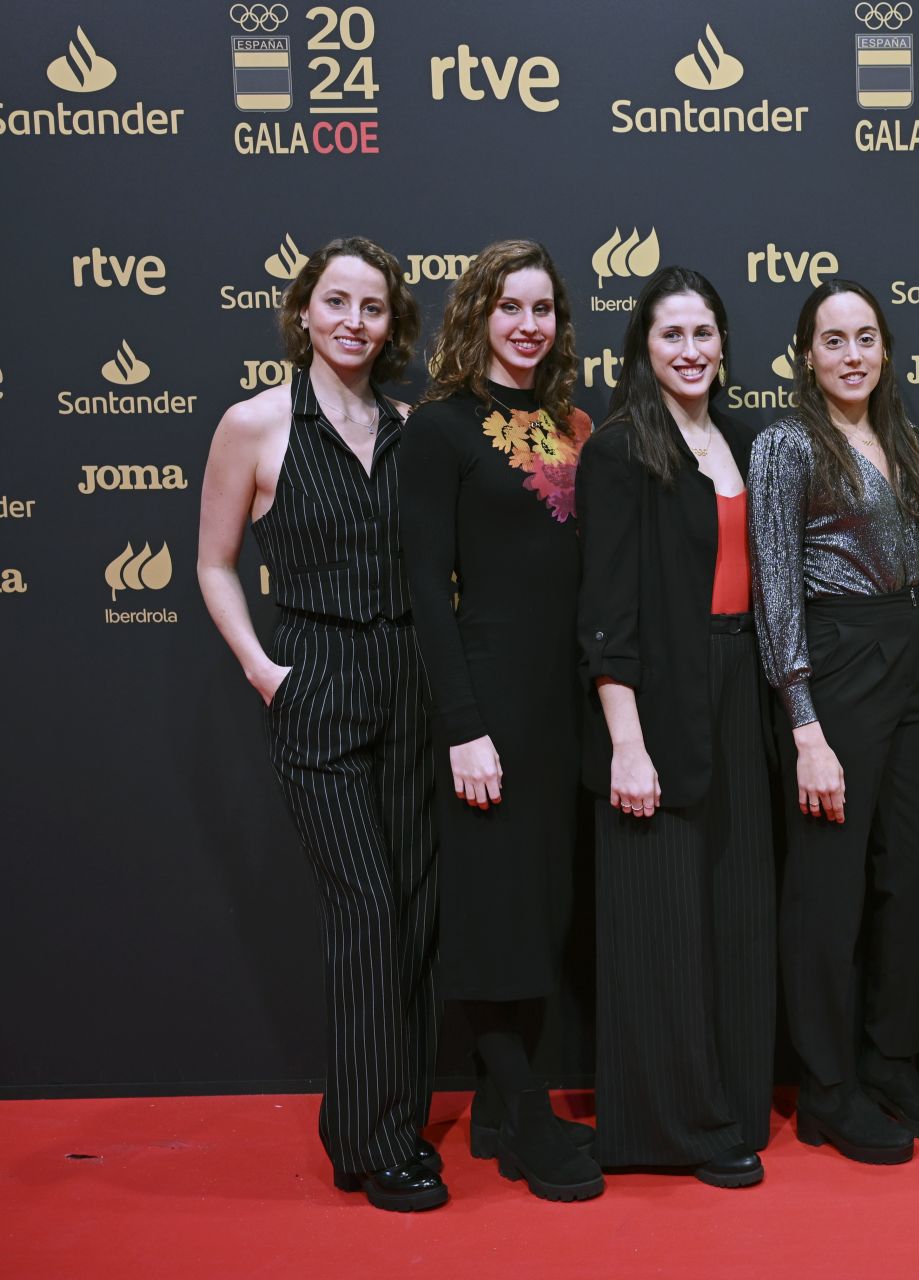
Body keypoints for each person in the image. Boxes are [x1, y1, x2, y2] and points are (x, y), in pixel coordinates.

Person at [195, 237, 445, 1211]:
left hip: (413, 683)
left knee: (418, 913)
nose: (353, 321)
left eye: (373, 307)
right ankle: (368, 1141)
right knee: (365, 911)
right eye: (336, 301)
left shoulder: (411, 425)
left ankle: (402, 1119)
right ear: (303, 310)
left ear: (392, 324)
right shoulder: (254, 425)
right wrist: (264, 669)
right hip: (318, 684)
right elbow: (214, 561)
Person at [399, 240, 601, 1202]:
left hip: (562, 709)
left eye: (545, 309)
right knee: (493, 912)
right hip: (486, 704)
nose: (530, 326)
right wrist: (461, 725)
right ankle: (524, 1115)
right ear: (477, 314)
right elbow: (427, 595)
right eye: (511, 308)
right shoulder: (439, 431)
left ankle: (494, 1107)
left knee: (545, 906)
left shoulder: (572, 425)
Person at [576, 267, 774, 1189]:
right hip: (657, 695)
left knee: (734, 909)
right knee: (661, 915)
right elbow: (607, 609)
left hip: (741, 688)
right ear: (643, 350)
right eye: (671, 336)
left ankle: (729, 1101)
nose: (690, 351)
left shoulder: (743, 438)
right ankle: (673, 1128)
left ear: (724, 343)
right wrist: (627, 738)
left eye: (703, 333)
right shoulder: (621, 449)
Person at [748, 280, 919, 1165]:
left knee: (910, 876)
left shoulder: (903, 437)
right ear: (806, 354)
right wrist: (804, 722)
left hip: (913, 661)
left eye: (867, 337)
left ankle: (892, 1061)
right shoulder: (786, 443)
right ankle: (828, 1087)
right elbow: (775, 585)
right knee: (829, 888)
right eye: (834, 340)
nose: (853, 355)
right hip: (834, 663)